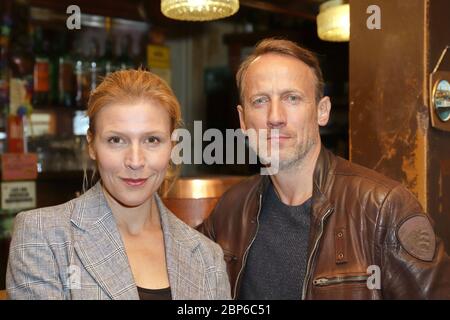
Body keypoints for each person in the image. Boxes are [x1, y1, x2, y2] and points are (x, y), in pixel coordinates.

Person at [199, 38, 450, 299]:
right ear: (242, 119)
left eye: (292, 98)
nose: (275, 117)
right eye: (260, 100)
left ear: (322, 111)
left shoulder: (383, 208)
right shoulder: (230, 210)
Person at [6, 69, 231, 300]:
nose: (135, 161)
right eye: (116, 140)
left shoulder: (207, 257)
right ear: (92, 145)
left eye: (152, 140)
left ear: (172, 146)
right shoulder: (42, 236)